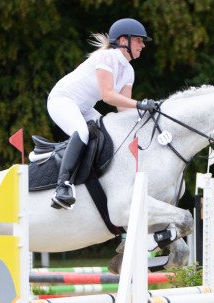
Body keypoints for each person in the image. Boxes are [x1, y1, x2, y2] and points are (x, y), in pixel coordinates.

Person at [47, 18, 156, 209]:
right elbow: (108, 96)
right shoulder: (107, 57)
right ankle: (62, 186)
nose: (142, 45)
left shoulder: (129, 71)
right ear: (124, 40)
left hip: (84, 107)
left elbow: (124, 111)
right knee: (81, 132)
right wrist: (140, 104)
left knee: (110, 135)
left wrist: (147, 116)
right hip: (62, 100)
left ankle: (98, 180)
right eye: (139, 40)